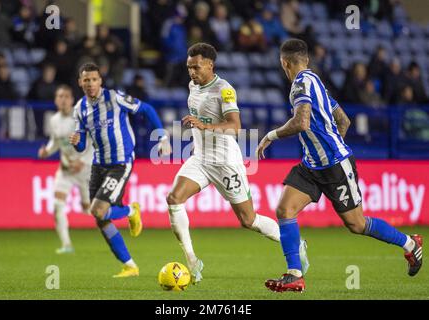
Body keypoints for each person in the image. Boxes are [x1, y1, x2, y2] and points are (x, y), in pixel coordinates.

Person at [256, 39, 423, 293]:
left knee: (356, 224)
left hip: (334, 166)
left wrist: (271, 136)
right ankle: (294, 275)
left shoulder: (300, 83)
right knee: (284, 210)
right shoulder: (317, 82)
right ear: (307, 60)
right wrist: (326, 148)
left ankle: (410, 243)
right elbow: (343, 120)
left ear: (284, 63)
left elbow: (301, 122)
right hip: (313, 165)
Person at [166, 43, 309, 285]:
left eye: (196, 67)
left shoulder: (224, 90)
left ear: (210, 65)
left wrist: (205, 126)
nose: (192, 72)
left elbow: (235, 126)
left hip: (225, 162)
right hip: (200, 159)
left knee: (248, 220)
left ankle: (297, 244)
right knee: (174, 199)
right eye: (189, 67)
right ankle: (192, 261)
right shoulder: (193, 86)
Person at [69, 63, 172, 277]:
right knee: (100, 218)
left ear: (100, 81)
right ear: (80, 82)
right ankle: (130, 265)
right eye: (86, 80)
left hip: (121, 162)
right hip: (99, 164)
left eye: (94, 79)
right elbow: (81, 146)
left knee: (97, 210)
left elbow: (147, 109)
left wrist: (162, 137)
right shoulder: (79, 109)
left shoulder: (115, 98)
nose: (90, 84)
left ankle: (131, 211)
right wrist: (76, 142)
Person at [38, 85, 93, 254]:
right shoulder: (53, 120)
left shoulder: (81, 118)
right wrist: (47, 151)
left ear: (71, 99)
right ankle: (66, 245)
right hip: (66, 170)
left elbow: (93, 143)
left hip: (84, 170)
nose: (63, 99)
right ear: (56, 100)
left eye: (66, 96)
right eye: (59, 96)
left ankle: (126, 214)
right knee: (57, 205)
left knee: (89, 210)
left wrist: (82, 161)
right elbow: (56, 142)